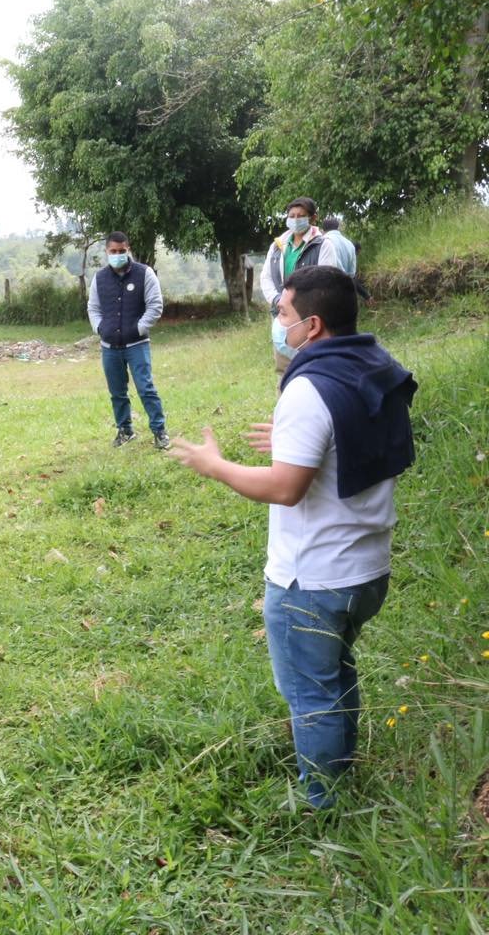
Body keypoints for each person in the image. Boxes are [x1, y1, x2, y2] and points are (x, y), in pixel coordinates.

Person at [171, 265, 416, 809]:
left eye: (282, 314)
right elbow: (349, 441)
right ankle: (342, 768)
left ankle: (322, 803)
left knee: (310, 691)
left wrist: (216, 466)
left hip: (314, 578)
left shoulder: (309, 388)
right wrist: (294, 440)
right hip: (368, 569)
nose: (278, 323)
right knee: (333, 672)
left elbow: (286, 488)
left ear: (313, 323)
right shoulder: (374, 366)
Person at [87, 231, 169, 449]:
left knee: (146, 388)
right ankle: (125, 430)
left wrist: (139, 328)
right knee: (117, 392)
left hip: (137, 345)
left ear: (128, 249)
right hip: (109, 347)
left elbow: (155, 305)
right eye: (113, 251)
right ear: (106, 251)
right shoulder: (99, 278)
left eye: (121, 251)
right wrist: (100, 328)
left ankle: (159, 431)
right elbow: (93, 308)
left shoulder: (145, 274)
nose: (117, 255)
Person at [259, 197, 348, 375]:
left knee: (315, 366)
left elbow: (326, 281)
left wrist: (304, 307)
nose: (295, 219)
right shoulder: (277, 246)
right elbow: (266, 278)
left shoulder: (322, 245)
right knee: (285, 370)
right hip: (283, 318)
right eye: (291, 215)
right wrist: (278, 300)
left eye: (301, 216)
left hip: (311, 318)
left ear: (313, 218)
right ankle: (287, 401)